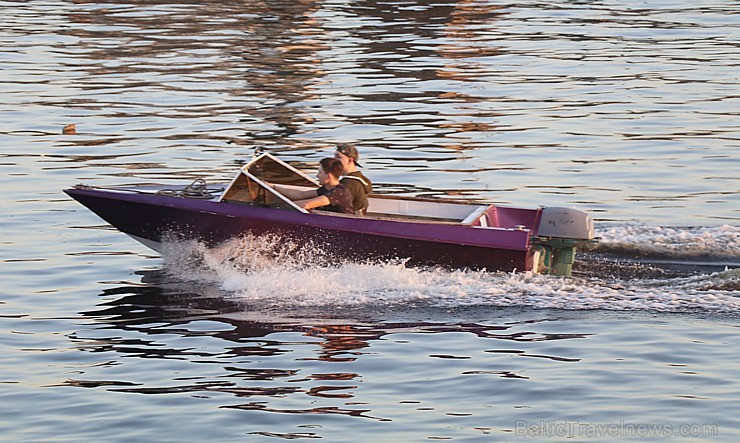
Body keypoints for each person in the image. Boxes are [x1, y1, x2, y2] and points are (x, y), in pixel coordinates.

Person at [272, 157, 355, 214]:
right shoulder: (326, 189)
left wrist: (279, 207)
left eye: (320, 173)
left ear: (328, 176)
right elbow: (301, 195)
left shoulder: (338, 192)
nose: (317, 176)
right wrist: (274, 187)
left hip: (346, 224)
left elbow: (307, 204)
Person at [334, 143, 372, 214]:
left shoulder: (350, 183)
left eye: (338, 157)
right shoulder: (360, 178)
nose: (334, 161)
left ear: (350, 161)